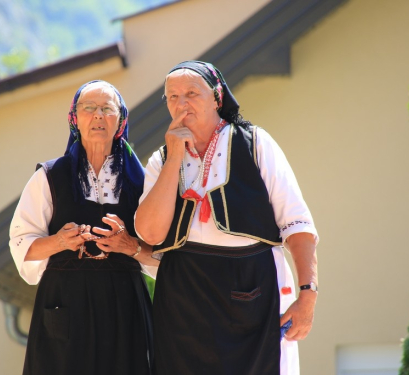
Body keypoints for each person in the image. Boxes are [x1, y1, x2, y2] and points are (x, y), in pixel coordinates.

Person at [135, 61, 318, 375]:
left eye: (192, 93)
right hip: (183, 294)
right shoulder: (162, 159)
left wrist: (307, 295)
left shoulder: (255, 144)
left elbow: (298, 225)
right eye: (172, 97)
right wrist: (175, 155)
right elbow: (150, 234)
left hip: (251, 285)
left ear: (217, 97)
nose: (181, 103)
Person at [9, 80, 158, 375]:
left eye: (107, 109)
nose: (98, 116)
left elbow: (165, 259)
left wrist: (130, 246)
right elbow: (20, 245)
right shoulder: (50, 177)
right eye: (88, 108)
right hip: (65, 305)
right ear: (75, 119)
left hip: (124, 307)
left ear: (121, 120)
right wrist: (60, 242)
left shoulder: (143, 182)